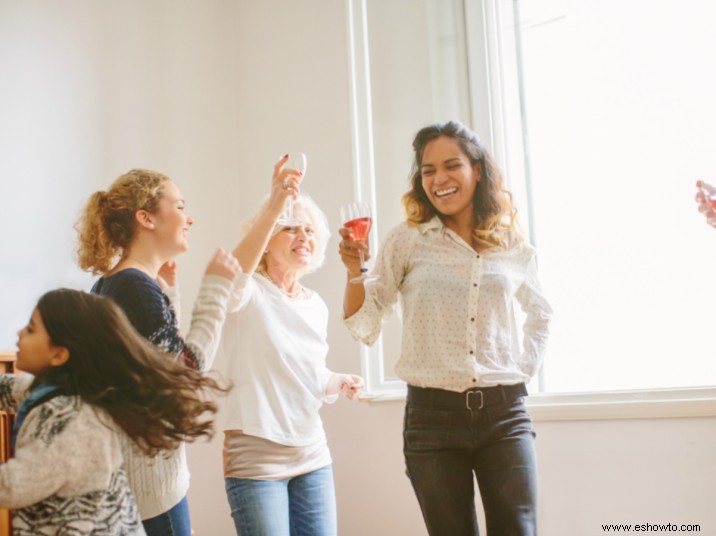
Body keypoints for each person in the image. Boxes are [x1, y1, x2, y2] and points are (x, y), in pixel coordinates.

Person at [338, 121, 552, 535]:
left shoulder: (511, 244)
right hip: (432, 420)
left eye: (451, 165)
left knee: (519, 529)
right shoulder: (406, 240)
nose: (439, 179)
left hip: (504, 415)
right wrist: (353, 272)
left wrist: (520, 368)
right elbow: (365, 322)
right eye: (428, 170)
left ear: (477, 169)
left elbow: (541, 313)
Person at [75, 168, 241, 535]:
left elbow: (157, 364)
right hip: (150, 492)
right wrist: (216, 288)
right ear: (146, 218)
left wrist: (168, 293)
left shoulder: (110, 285)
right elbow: (186, 372)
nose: (189, 217)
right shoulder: (134, 289)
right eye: (180, 206)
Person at [0, 289, 228, 535]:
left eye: (31, 329)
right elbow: (12, 389)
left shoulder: (73, 419)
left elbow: (13, 486)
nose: (19, 333)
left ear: (59, 354)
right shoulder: (62, 393)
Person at [219, 154, 364, 536]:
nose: (304, 237)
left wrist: (338, 381)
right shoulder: (248, 294)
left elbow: (311, 376)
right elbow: (229, 280)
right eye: (291, 228)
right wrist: (274, 206)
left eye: (310, 231)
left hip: (312, 453)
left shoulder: (314, 304)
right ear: (266, 241)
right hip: (256, 458)